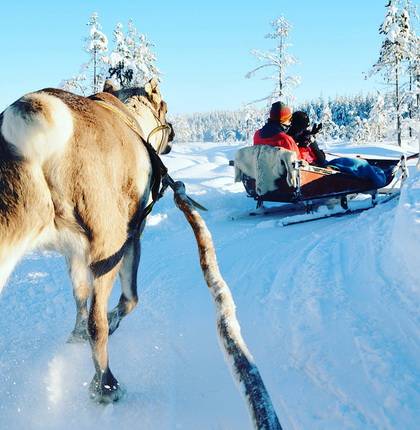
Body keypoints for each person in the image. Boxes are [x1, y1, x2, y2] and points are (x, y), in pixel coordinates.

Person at [253, 102, 319, 165]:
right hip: (282, 175)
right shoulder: (286, 140)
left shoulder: (257, 135)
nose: (290, 123)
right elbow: (299, 164)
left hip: (261, 173)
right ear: (284, 120)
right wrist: (303, 146)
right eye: (289, 120)